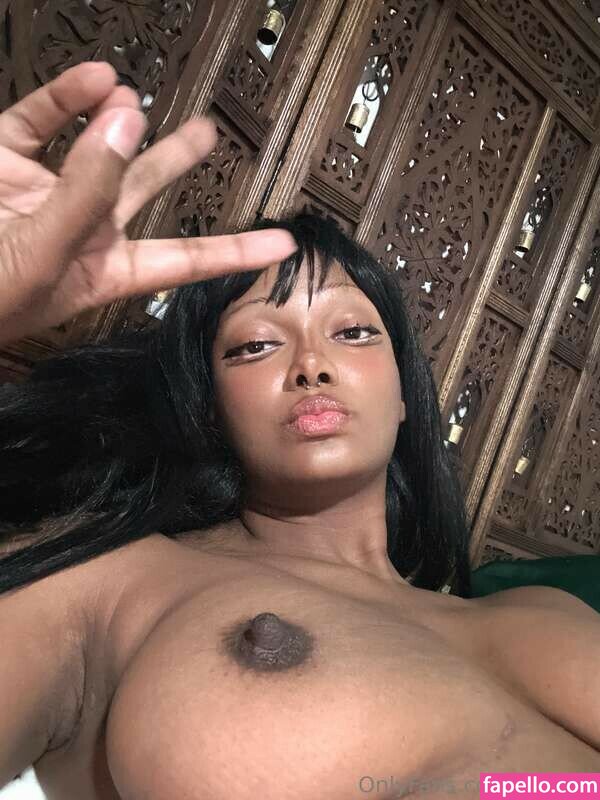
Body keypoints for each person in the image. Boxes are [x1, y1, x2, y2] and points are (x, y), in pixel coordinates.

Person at [0, 62, 599, 800]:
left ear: (403, 395)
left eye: (353, 332)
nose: (312, 365)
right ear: (210, 405)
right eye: (256, 345)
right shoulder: (105, 579)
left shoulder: (547, 613)